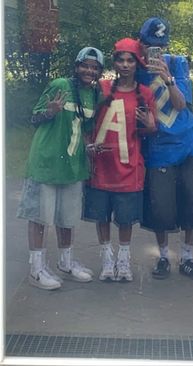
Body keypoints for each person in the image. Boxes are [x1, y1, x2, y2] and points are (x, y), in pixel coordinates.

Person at [17, 47, 105, 290]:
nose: (89, 70)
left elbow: (84, 129)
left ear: (99, 71)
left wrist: (89, 148)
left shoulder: (93, 94)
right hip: (46, 161)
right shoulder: (60, 85)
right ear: (76, 67)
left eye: (94, 67)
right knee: (40, 216)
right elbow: (34, 118)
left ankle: (66, 263)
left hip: (73, 165)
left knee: (67, 217)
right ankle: (36, 269)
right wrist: (50, 111)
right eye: (85, 65)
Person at [137, 17, 193, 280]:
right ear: (141, 43)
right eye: (150, 45)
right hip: (159, 145)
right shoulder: (135, 69)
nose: (155, 50)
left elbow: (181, 104)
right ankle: (163, 257)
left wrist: (167, 79)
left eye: (161, 45)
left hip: (189, 142)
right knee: (161, 206)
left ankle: (189, 258)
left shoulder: (177, 63)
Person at [82, 38, 156, 282]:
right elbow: (85, 118)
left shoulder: (144, 94)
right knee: (101, 214)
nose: (125, 65)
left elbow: (148, 130)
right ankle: (106, 256)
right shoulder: (100, 88)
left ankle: (123, 258)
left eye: (130, 60)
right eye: (120, 60)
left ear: (137, 64)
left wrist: (150, 126)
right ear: (113, 62)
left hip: (128, 165)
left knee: (125, 217)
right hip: (101, 165)